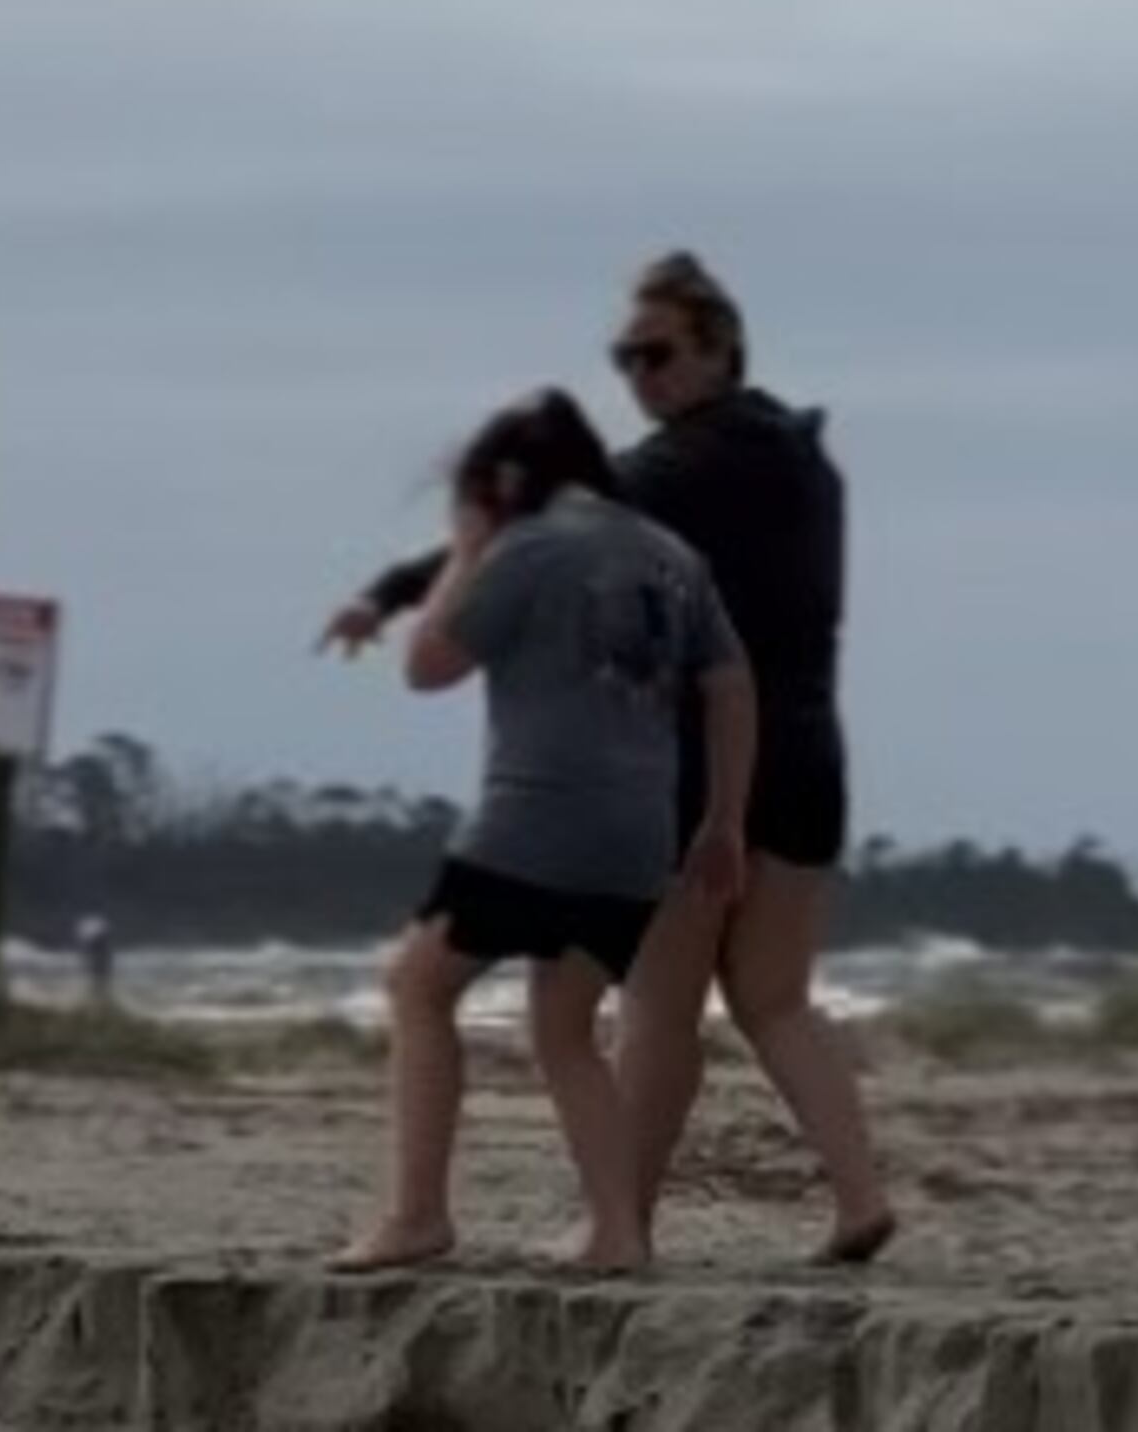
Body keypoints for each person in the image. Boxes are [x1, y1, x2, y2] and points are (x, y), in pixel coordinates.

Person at [322, 252, 893, 1264]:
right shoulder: (807, 464)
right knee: (774, 996)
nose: (638, 376)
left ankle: (617, 1221)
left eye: (657, 354)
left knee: (658, 1006)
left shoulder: (680, 468)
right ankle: (857, 1198)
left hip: (698, 762)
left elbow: (537, 531)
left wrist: (397, 588)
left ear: (719, 348)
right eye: (623, 358)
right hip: (809, 752)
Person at [330, 390, 753, 1277]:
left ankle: (416, 1216)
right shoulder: (673, 556)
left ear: (508, 478)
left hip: (534, 820)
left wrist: (471, 548)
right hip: (639, 834)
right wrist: (723, 821)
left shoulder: (529, 548)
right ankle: (618, 1230)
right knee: (565, 1027)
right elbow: (729, 686)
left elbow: (429, 667)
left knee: (416, 987)